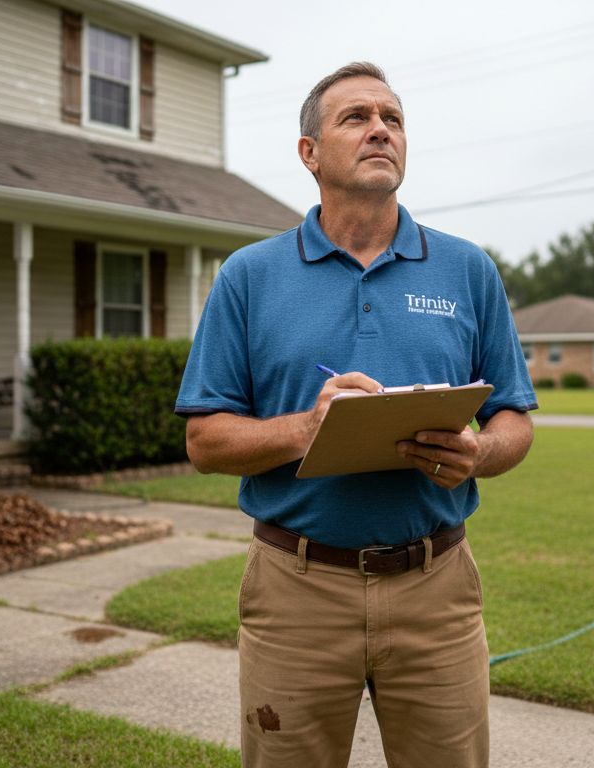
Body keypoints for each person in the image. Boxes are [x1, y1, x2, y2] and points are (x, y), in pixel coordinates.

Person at [175, 61, 537, 768]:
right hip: (297, 590)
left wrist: (480, 453)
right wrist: (307, 429)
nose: (381, 129)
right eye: (357, 117)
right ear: (309, 152)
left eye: (393, 118)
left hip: (437, 587)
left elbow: (514, 420)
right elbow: (205, 441)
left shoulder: (467, 270)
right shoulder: (249, 275)